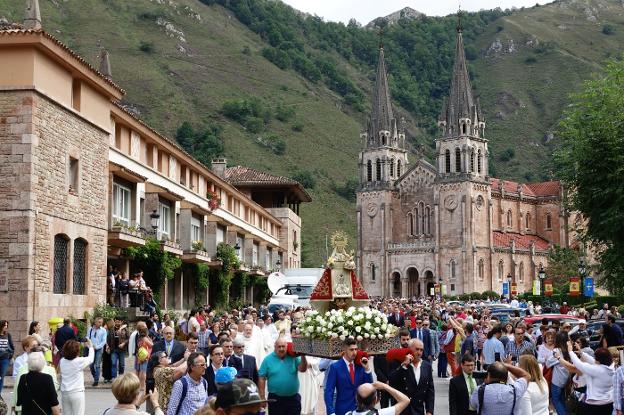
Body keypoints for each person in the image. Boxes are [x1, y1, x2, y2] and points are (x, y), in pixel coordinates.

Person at [258, 337, 308, 415]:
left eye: (283, 346)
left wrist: (303, 356)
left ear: (287, 346)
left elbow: (302, 369)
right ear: (274, 347)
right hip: (275, 399)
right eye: (279, 346)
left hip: (293, 398)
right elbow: (261, 378)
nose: (281, 349)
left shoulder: (293, 357)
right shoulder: (267, 360)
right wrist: (262, 397)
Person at [324, 338, 374, 415]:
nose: (354, 352)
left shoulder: (360, 366)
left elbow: (370, 387)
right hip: (342, 410)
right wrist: (331, 412)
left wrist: (367, 369)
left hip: (361, 410)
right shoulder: (335, 367)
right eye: (351, 350)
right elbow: (329, 392)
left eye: (356, 349)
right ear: (345, 349)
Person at [389, 338, 435, 415]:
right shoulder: (399, 363)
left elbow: (430, 391)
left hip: (419, 410)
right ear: (409, 349)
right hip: (403, 410)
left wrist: (429, 411)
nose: (419, 352)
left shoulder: (427, 366)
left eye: (421, 350)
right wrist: (403, 366)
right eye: (417, 349)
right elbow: (392, 381)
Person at [567, 344, 614, 415]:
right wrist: (581, 353)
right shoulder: (610, 367)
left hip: (595, 404)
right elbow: (593, 361)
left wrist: (570, 351)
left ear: (599, 360)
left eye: (595, 358)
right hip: (608, 402)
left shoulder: (597, 370)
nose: (594, 359)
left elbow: (579, 364)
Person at [11, 345, 58, 414]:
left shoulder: (23, 377)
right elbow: (53, 400)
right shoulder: (47, 378)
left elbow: (19, 400)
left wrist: (14, 405)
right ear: (42, 363)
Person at [60, 339, 94, 415]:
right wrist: (91, 347)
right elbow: (91, 359)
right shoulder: (79, 361)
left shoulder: (62, 361)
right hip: (77, 391)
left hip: (65, 392)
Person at [148, 326, 186, 393]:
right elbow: (151, 362)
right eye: (166, 333)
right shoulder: (156, 346)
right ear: (163, 334)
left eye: (170, 333)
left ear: (174, 334)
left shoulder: (181, 346)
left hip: (176, 379)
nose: (168, 335)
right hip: (161, 380)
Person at [547, 331, 573, 415]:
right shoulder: (569, 349)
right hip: (566, 379)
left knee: (555, 400)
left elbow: (547, 363)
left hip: (557, 380)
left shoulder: (557, 350)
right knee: (561, 400)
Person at [87, 316, 108, 386]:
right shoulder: (90, 329)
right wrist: (89, 346)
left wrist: (97, 347)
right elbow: (87, 338)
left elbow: (104, 341)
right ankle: (95, 376)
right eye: (99, 322)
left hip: (98, 349)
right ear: (95, 322)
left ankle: (96, 380)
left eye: (101, 322)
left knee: (97, 365)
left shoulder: (103, 330)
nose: (100, 323)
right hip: (90, 349)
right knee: (91, 365)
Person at [0, 320, 13, 392]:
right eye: (5, 325)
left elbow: (11, 346)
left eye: (7, 325)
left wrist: (10, 355)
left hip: (5, 359)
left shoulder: (8, 335)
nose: (6, 327)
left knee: (1, 377)